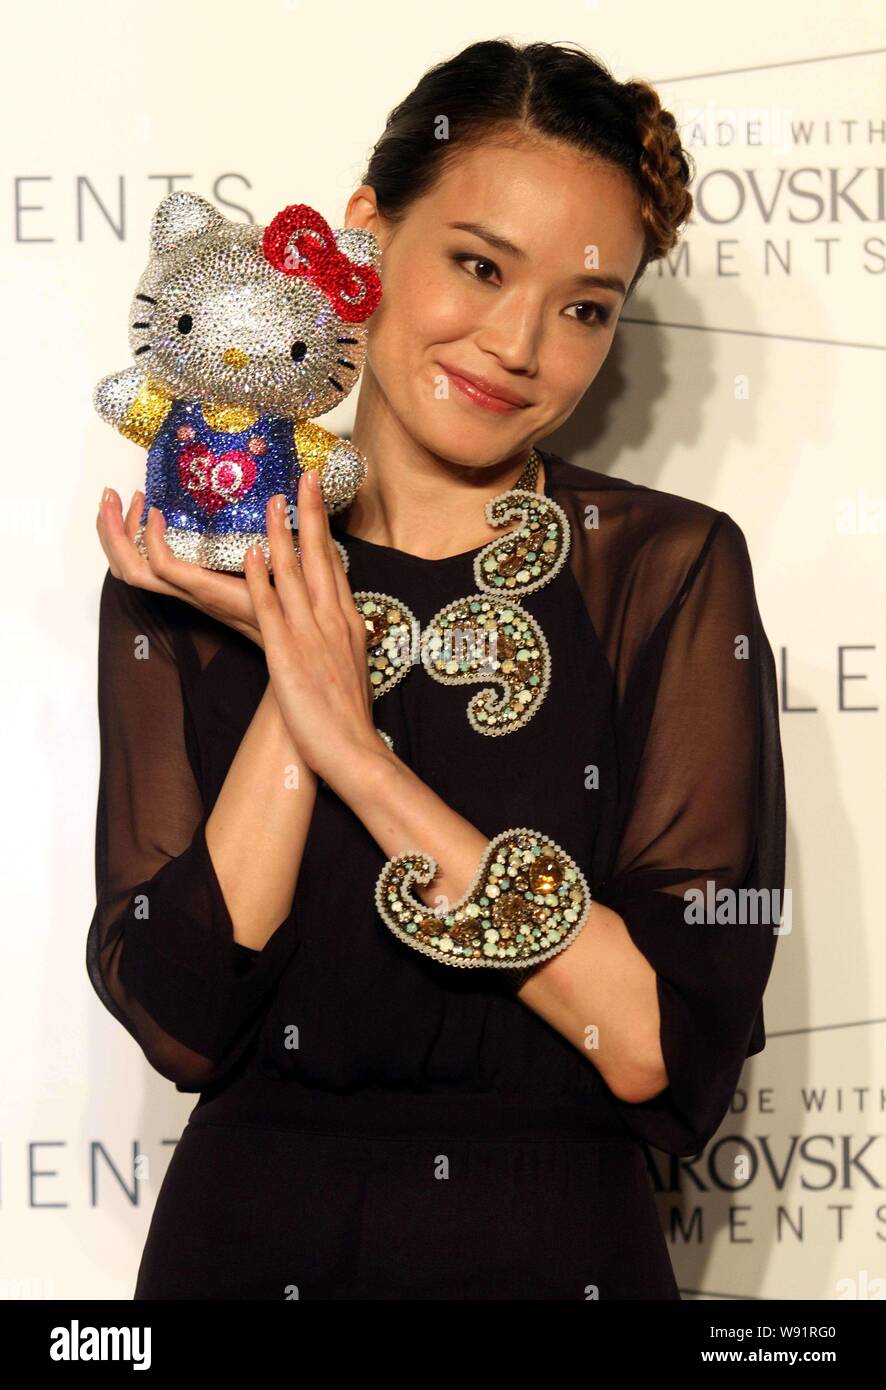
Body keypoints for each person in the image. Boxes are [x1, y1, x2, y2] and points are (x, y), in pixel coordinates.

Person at [87, 38, 786, 1300]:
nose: (519, 344)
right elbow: (183, 1017)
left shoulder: (665, 573)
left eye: (583, 307)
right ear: (365, 234)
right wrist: (291, 681)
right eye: (478, 264)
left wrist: (353, 745)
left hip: (552, 1251)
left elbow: (653, 1046)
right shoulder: (187, 564)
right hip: (247, 1247)